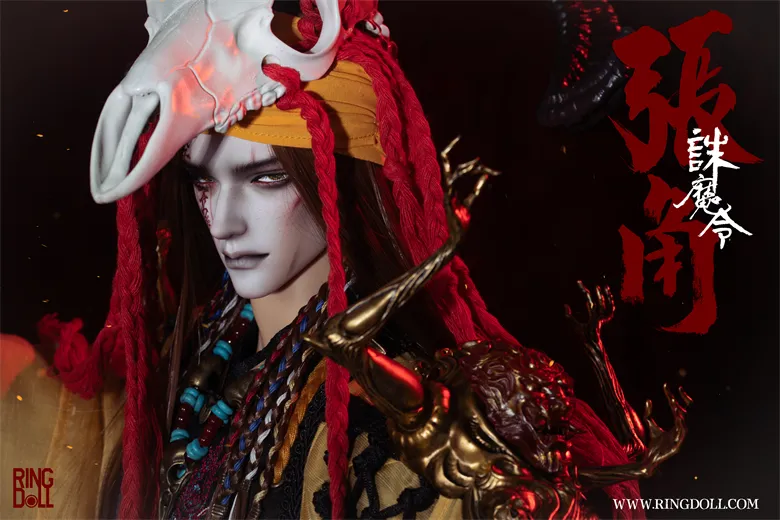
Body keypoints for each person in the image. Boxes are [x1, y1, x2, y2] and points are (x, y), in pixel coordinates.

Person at [2, 1, 690, 518]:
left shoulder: (393, 431)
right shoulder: (179, 368)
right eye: (204, 182)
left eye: (267, 178)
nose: (224, 221)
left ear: (340, 178)